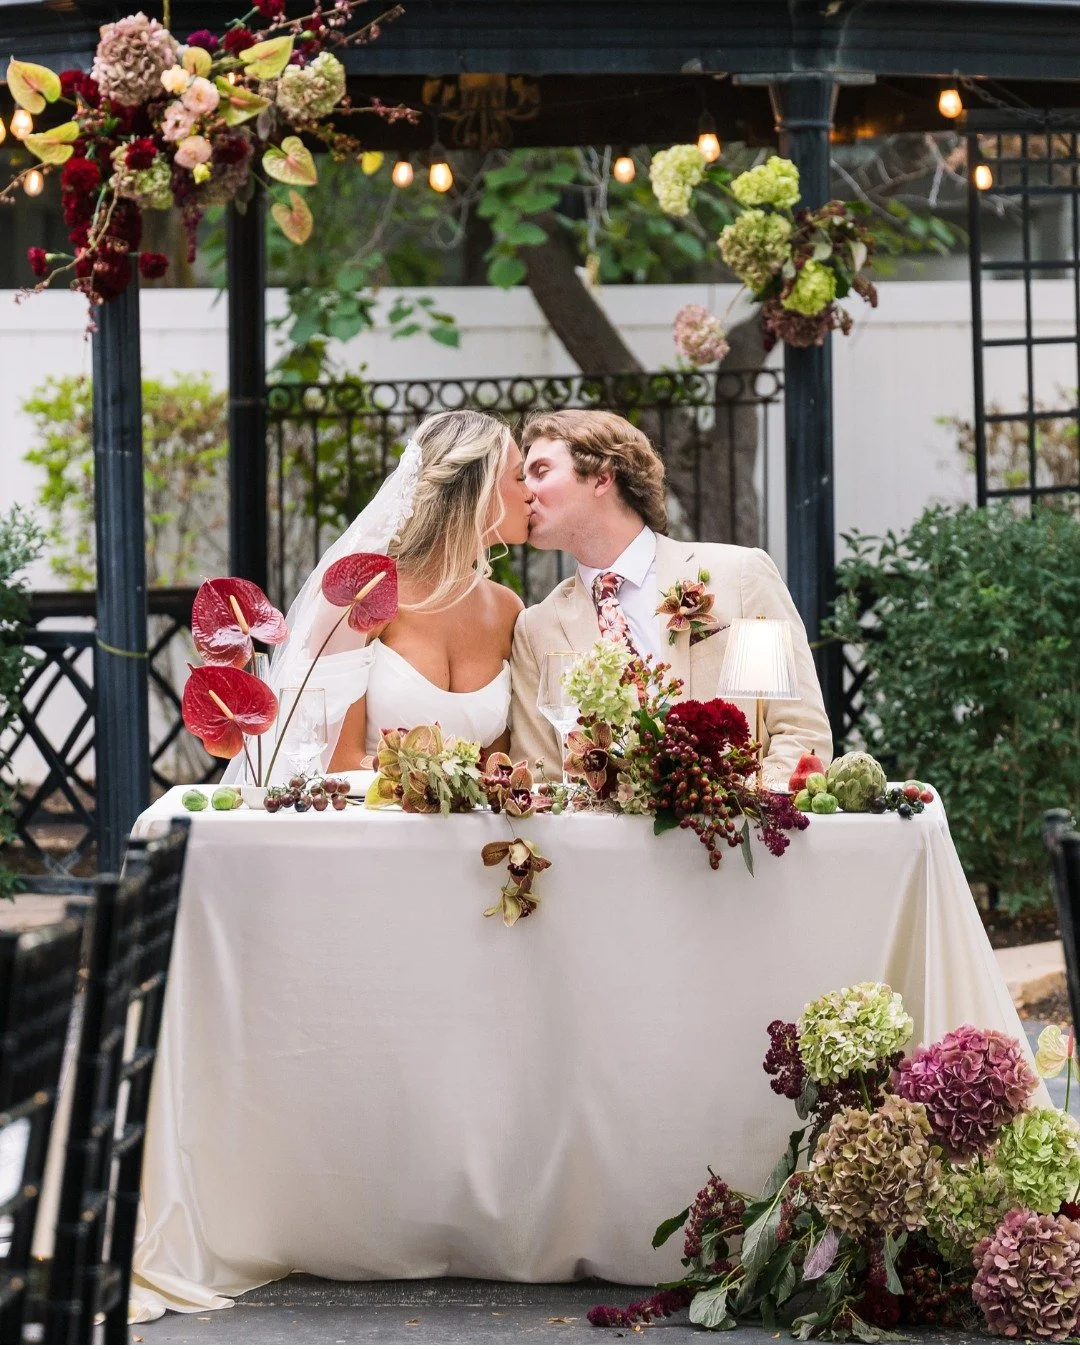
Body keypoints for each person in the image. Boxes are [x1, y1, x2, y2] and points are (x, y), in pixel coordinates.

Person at [509, 409, 832, 783]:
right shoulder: (535, 628)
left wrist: (742, 810)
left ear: (601, 477)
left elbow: (802, 732)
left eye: (541, 471)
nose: (525, 491)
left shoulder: (742, 575)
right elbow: (542, 778)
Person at [244, 408, 532, 781]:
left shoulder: (508, 610)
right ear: (476, 489)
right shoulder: (360, 595)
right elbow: (336, 761)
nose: (531, 492)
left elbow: (498, 770)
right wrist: (447, 787)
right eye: (520, 477)